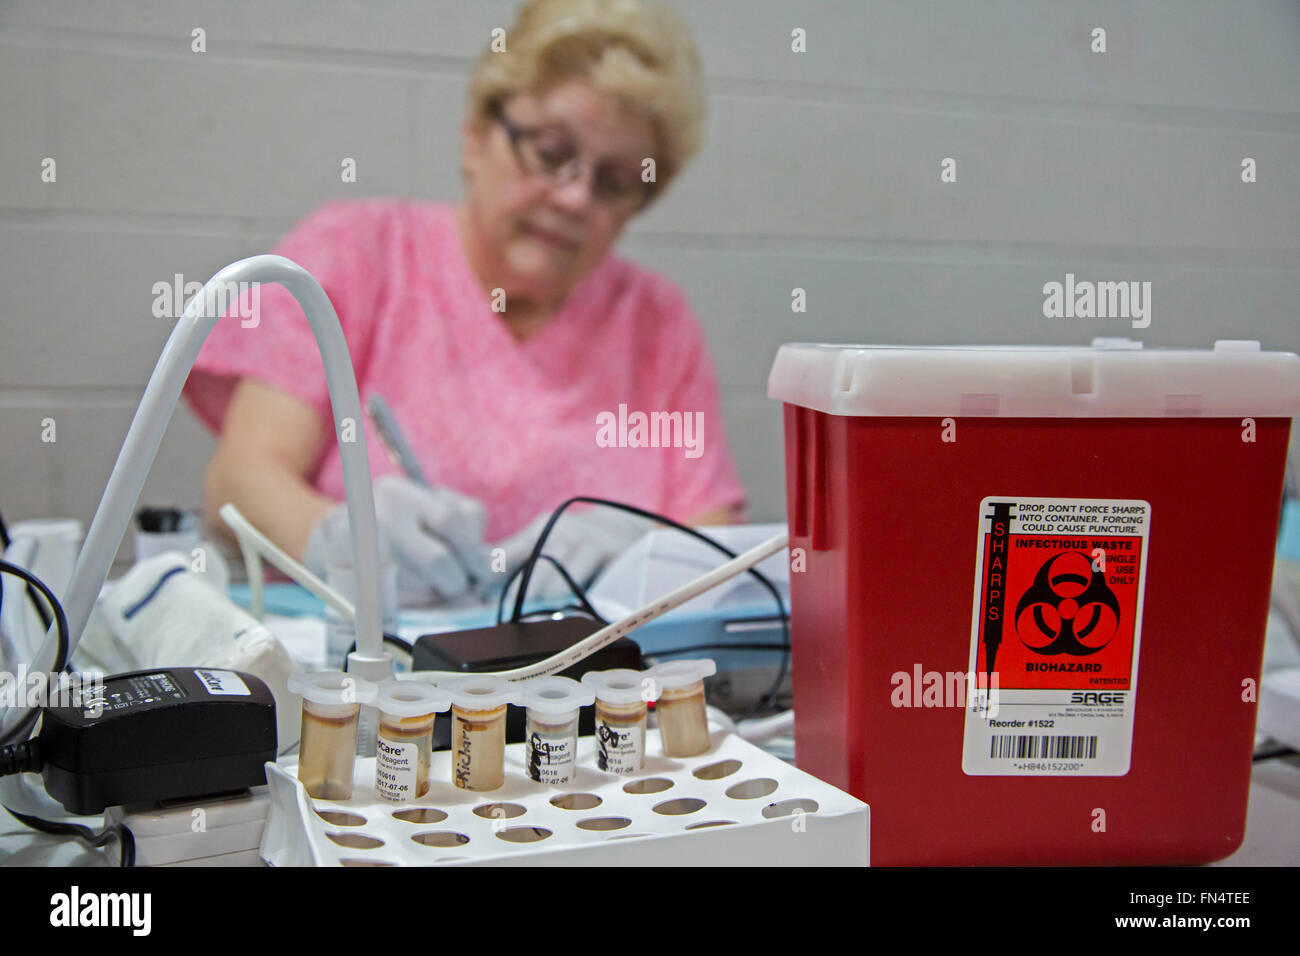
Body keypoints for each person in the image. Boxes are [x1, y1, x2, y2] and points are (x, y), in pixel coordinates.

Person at [184, 0, 746, 605]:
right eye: (551, 153)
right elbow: (239, 482)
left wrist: (645, 553)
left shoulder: (656, 321)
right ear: (475, 136)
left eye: (614, 181)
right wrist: (341, 540)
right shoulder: (355, 257)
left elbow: (715, 535)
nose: (576, 198)